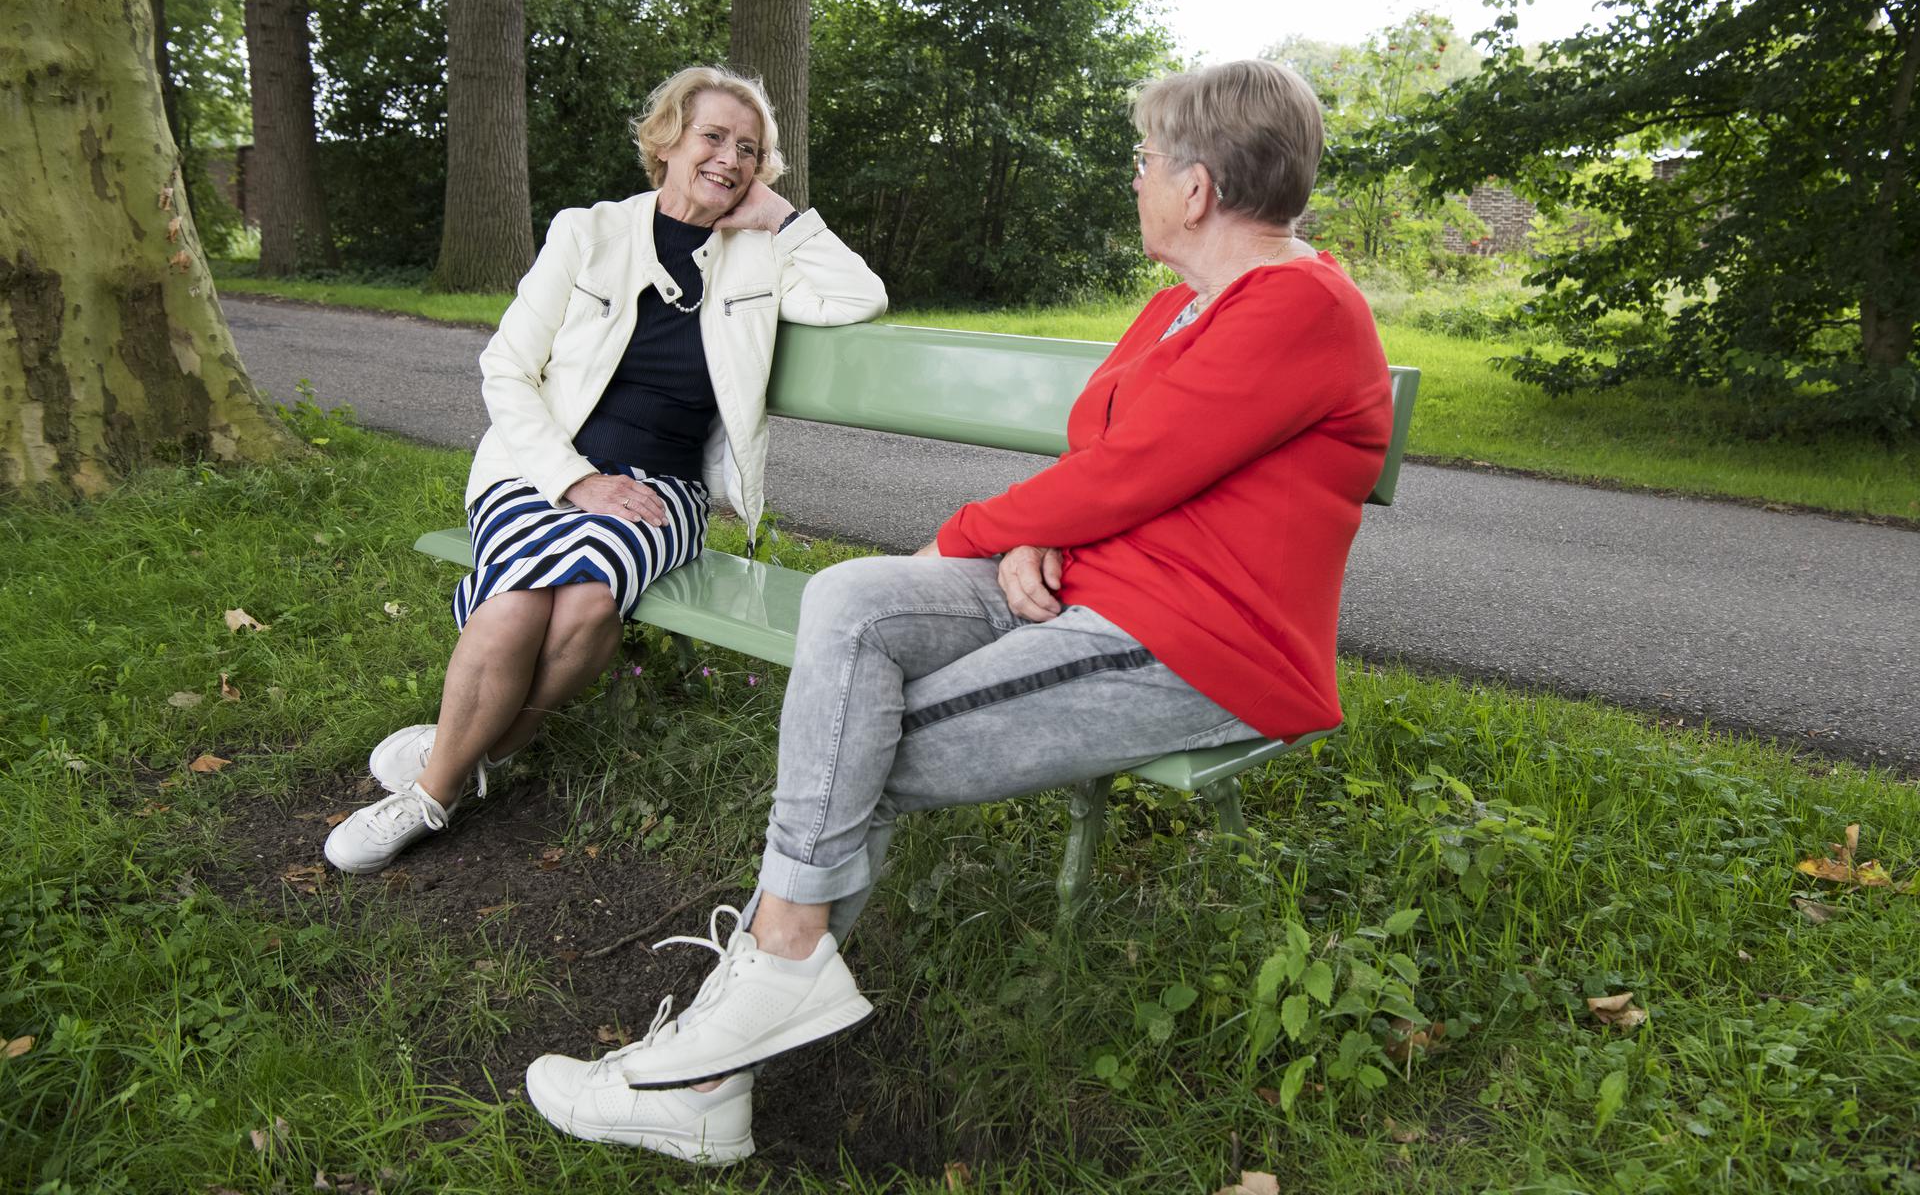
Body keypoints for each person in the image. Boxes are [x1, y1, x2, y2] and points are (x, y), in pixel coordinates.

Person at [521, 59, 1393, 1165]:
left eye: (1143, 160)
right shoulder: (1182, 302)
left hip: (1194, 643)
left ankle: (720, 1046)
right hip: (1086, 579)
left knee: (852, 742)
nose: (1135, 179)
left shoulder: (1302, 306)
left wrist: (980, 531)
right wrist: (1043, 530)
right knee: (852, 600)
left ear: (1198, 187)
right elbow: (1109, 455)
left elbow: (1136, 470)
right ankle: (758, 1003)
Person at [323, 66, 887, 875]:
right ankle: (437, 793)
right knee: (522, 597)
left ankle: (465, 754)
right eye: (713, 137)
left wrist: (785, 220)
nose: (730, 158)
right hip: (539, 469)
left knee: (589, 602)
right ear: (667, 140)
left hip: (662, 492)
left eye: (750, 150)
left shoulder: (761, 258)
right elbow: (506, 369)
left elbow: (858, 296)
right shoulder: (587, 233)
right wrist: (573, 480)